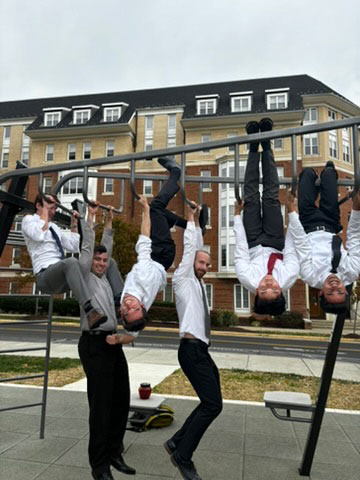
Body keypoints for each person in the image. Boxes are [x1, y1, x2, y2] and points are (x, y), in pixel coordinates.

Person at [77, 203, 136, 480]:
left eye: (103, 261)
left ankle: (114, 453)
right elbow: (89, 247)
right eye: (97, 261)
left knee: (120, 401)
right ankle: (99, 466)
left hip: (113, 344)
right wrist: (91, 218)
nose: (100, 264)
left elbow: (106, 249)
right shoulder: (85, 276)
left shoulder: (104, 277)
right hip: (94, 344)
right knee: (100, 408)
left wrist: (109, 220)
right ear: (90, 262)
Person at [165, 203, 222, 480]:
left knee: (211, 399)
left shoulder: (198, 282)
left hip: (201, 349)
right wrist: (190, 219)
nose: (204, 267)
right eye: (202, 264)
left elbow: (198, 247)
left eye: (207, 265)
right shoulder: (183, 278)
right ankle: (183, 455)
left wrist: (198, 223)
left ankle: (177, 441)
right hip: (190, 350)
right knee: (212, 405)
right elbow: (191, 250)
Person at [119, 156, 207, 332]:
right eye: (134, 308)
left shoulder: (134, 304)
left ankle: (196, 226)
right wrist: (145, 209)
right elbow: (144, 240)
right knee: (155, 208)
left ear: (121, 314)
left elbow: (134, 328)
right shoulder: (142, 277)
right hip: (159, 253)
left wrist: (126, 336)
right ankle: (175, 173)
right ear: (142, 307)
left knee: (161, 216)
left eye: (127, 312)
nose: (129, 306)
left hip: (161, 261)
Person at [234, 118, 299, 315]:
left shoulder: (246, 278)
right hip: (274, 239)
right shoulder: (290, 275)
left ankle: (253, 146)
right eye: (274, 289)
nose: (269, 283)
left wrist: (237, 216)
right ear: (282, 292)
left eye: (263, 289)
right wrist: (291, 213)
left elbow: (240, 249)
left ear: (256, 293)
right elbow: (291, 246)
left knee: (251, 198)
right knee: (271, 197)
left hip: (252, 241)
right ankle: (267, 144)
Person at [22, 194, 107, 329]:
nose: (52, 210)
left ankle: (90, 215)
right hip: (44, 276)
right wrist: (45, 211)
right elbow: (38, 235)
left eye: (54, 207)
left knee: (89, 263)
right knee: (72, 262)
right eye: (49, 205)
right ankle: (90, 310)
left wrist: (73, 226)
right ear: (38, 206)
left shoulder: (53, 227)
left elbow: (73, 246)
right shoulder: (29, 220)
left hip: (61, 277)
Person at [286, 163, 360, 314]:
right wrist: (356, 209)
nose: (334, 287)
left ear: (321, 292)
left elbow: (301, 245)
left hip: (308, 224)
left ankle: (312, 173)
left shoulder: (310, 276)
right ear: (346, 292)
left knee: (306, 174)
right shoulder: (352, 271)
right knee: (329, 175)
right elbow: (354, 238)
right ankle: (328, 170)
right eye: (339, 292)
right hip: (330, 222)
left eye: (329, 292)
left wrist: (292, 212)